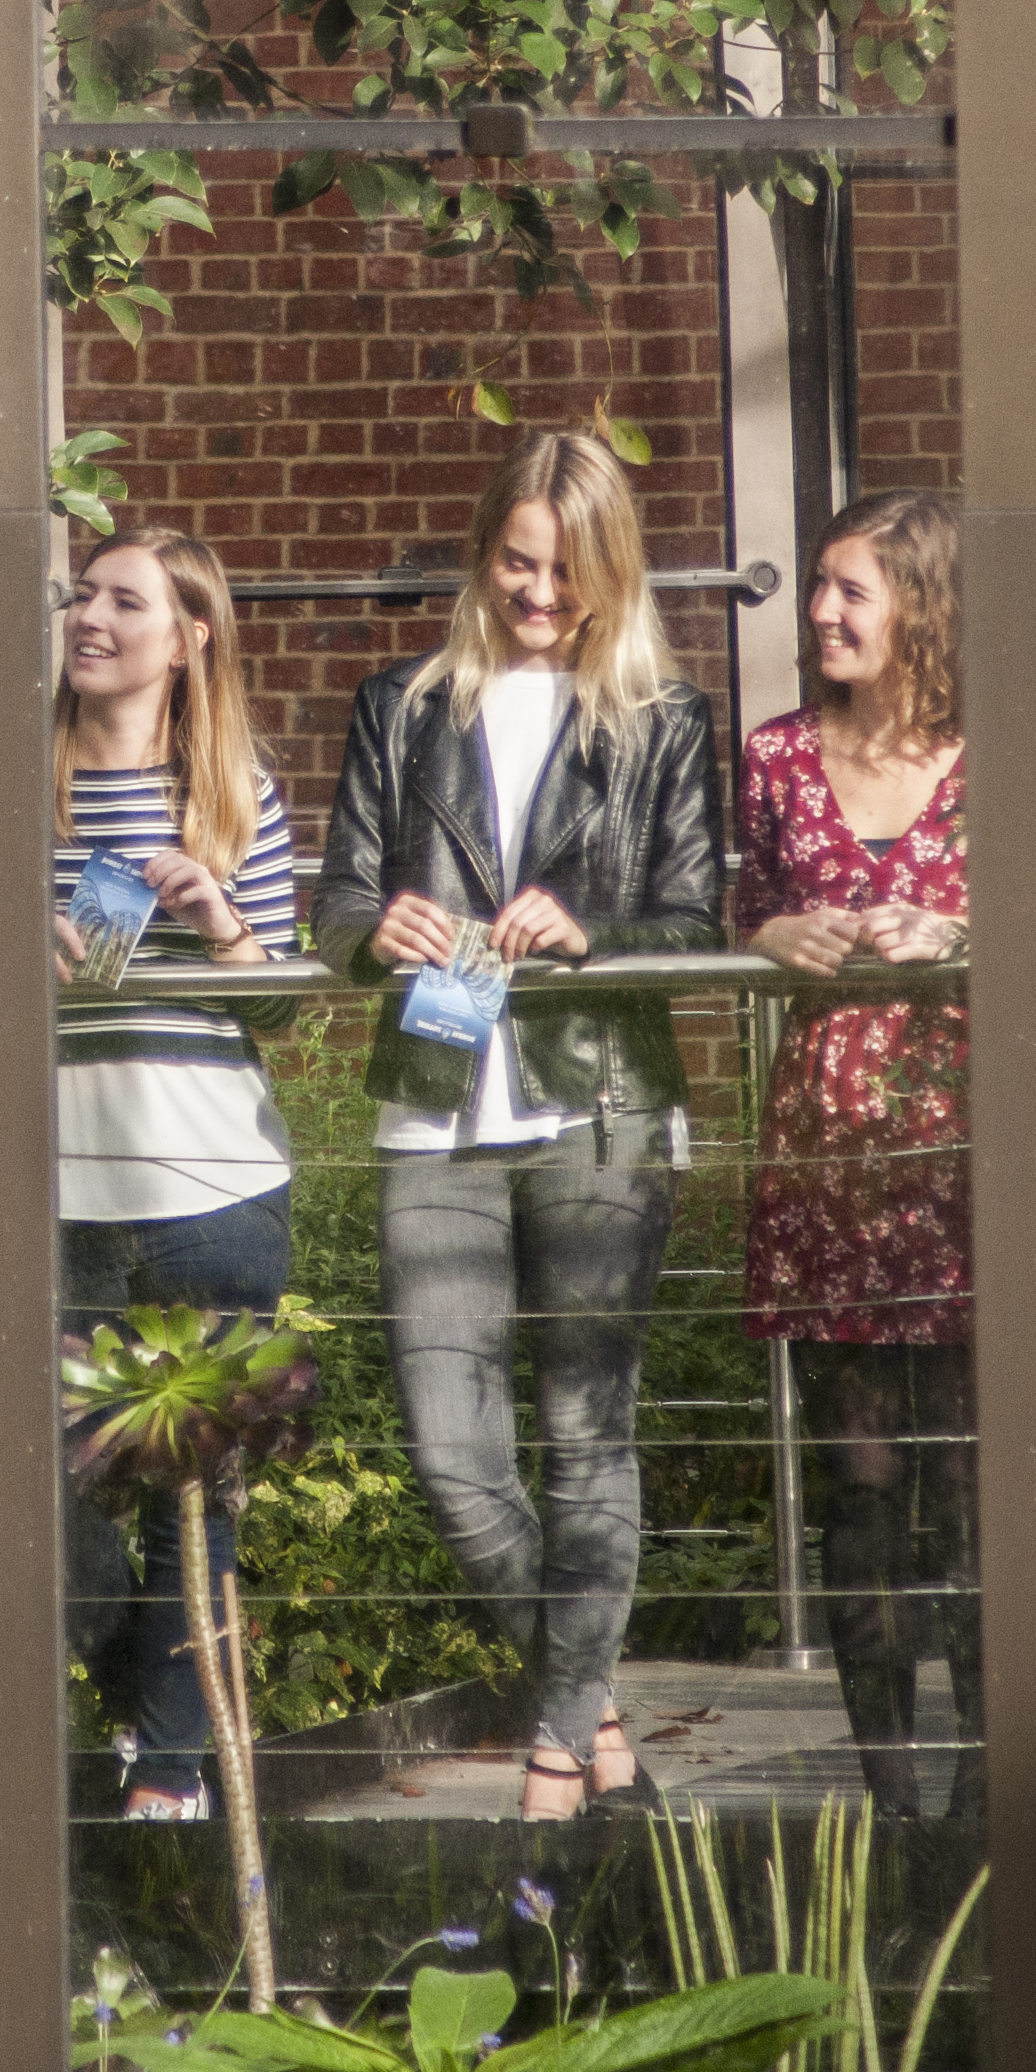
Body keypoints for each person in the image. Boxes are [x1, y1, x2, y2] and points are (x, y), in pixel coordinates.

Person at [310, 424, 727, 1826]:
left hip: (596, 1103)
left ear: (611, 571)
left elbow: (693, 914)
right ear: (483, 554)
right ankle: (594, 1716)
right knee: (450, 1454)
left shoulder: (664, 721)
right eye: (514, 561)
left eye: (565, 568)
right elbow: (335, 900)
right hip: (434, 1109)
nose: (537, 592)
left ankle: (557, 1766)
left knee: (583, 1429)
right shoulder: (400, 705)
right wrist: (379, 927)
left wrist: (590, 929)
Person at [53, 527, 307, 1821]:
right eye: (83, 594)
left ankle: (170, 1769)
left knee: (194, 1504)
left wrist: (220, 924)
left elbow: (284, 1017)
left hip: (212, 1193)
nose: (87, 614)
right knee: (53, 1493)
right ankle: (118, 1702)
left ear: (187, 638)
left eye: (120, 599)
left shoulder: (234, 792)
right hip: (52, 1200)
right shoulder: (16, 781)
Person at [733, 487, 978, 1816]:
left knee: (976, 1485)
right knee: (864, 1489)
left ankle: (1002, 1803)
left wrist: (966, 932)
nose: (821, 612)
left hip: (968, 1156)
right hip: (828, 1161)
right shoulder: (776, 756)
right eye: (820, 588)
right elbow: (743, 900)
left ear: (921, 607)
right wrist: (769, 934)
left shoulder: (1002, 750)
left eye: (850, 591)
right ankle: (895, 1802)